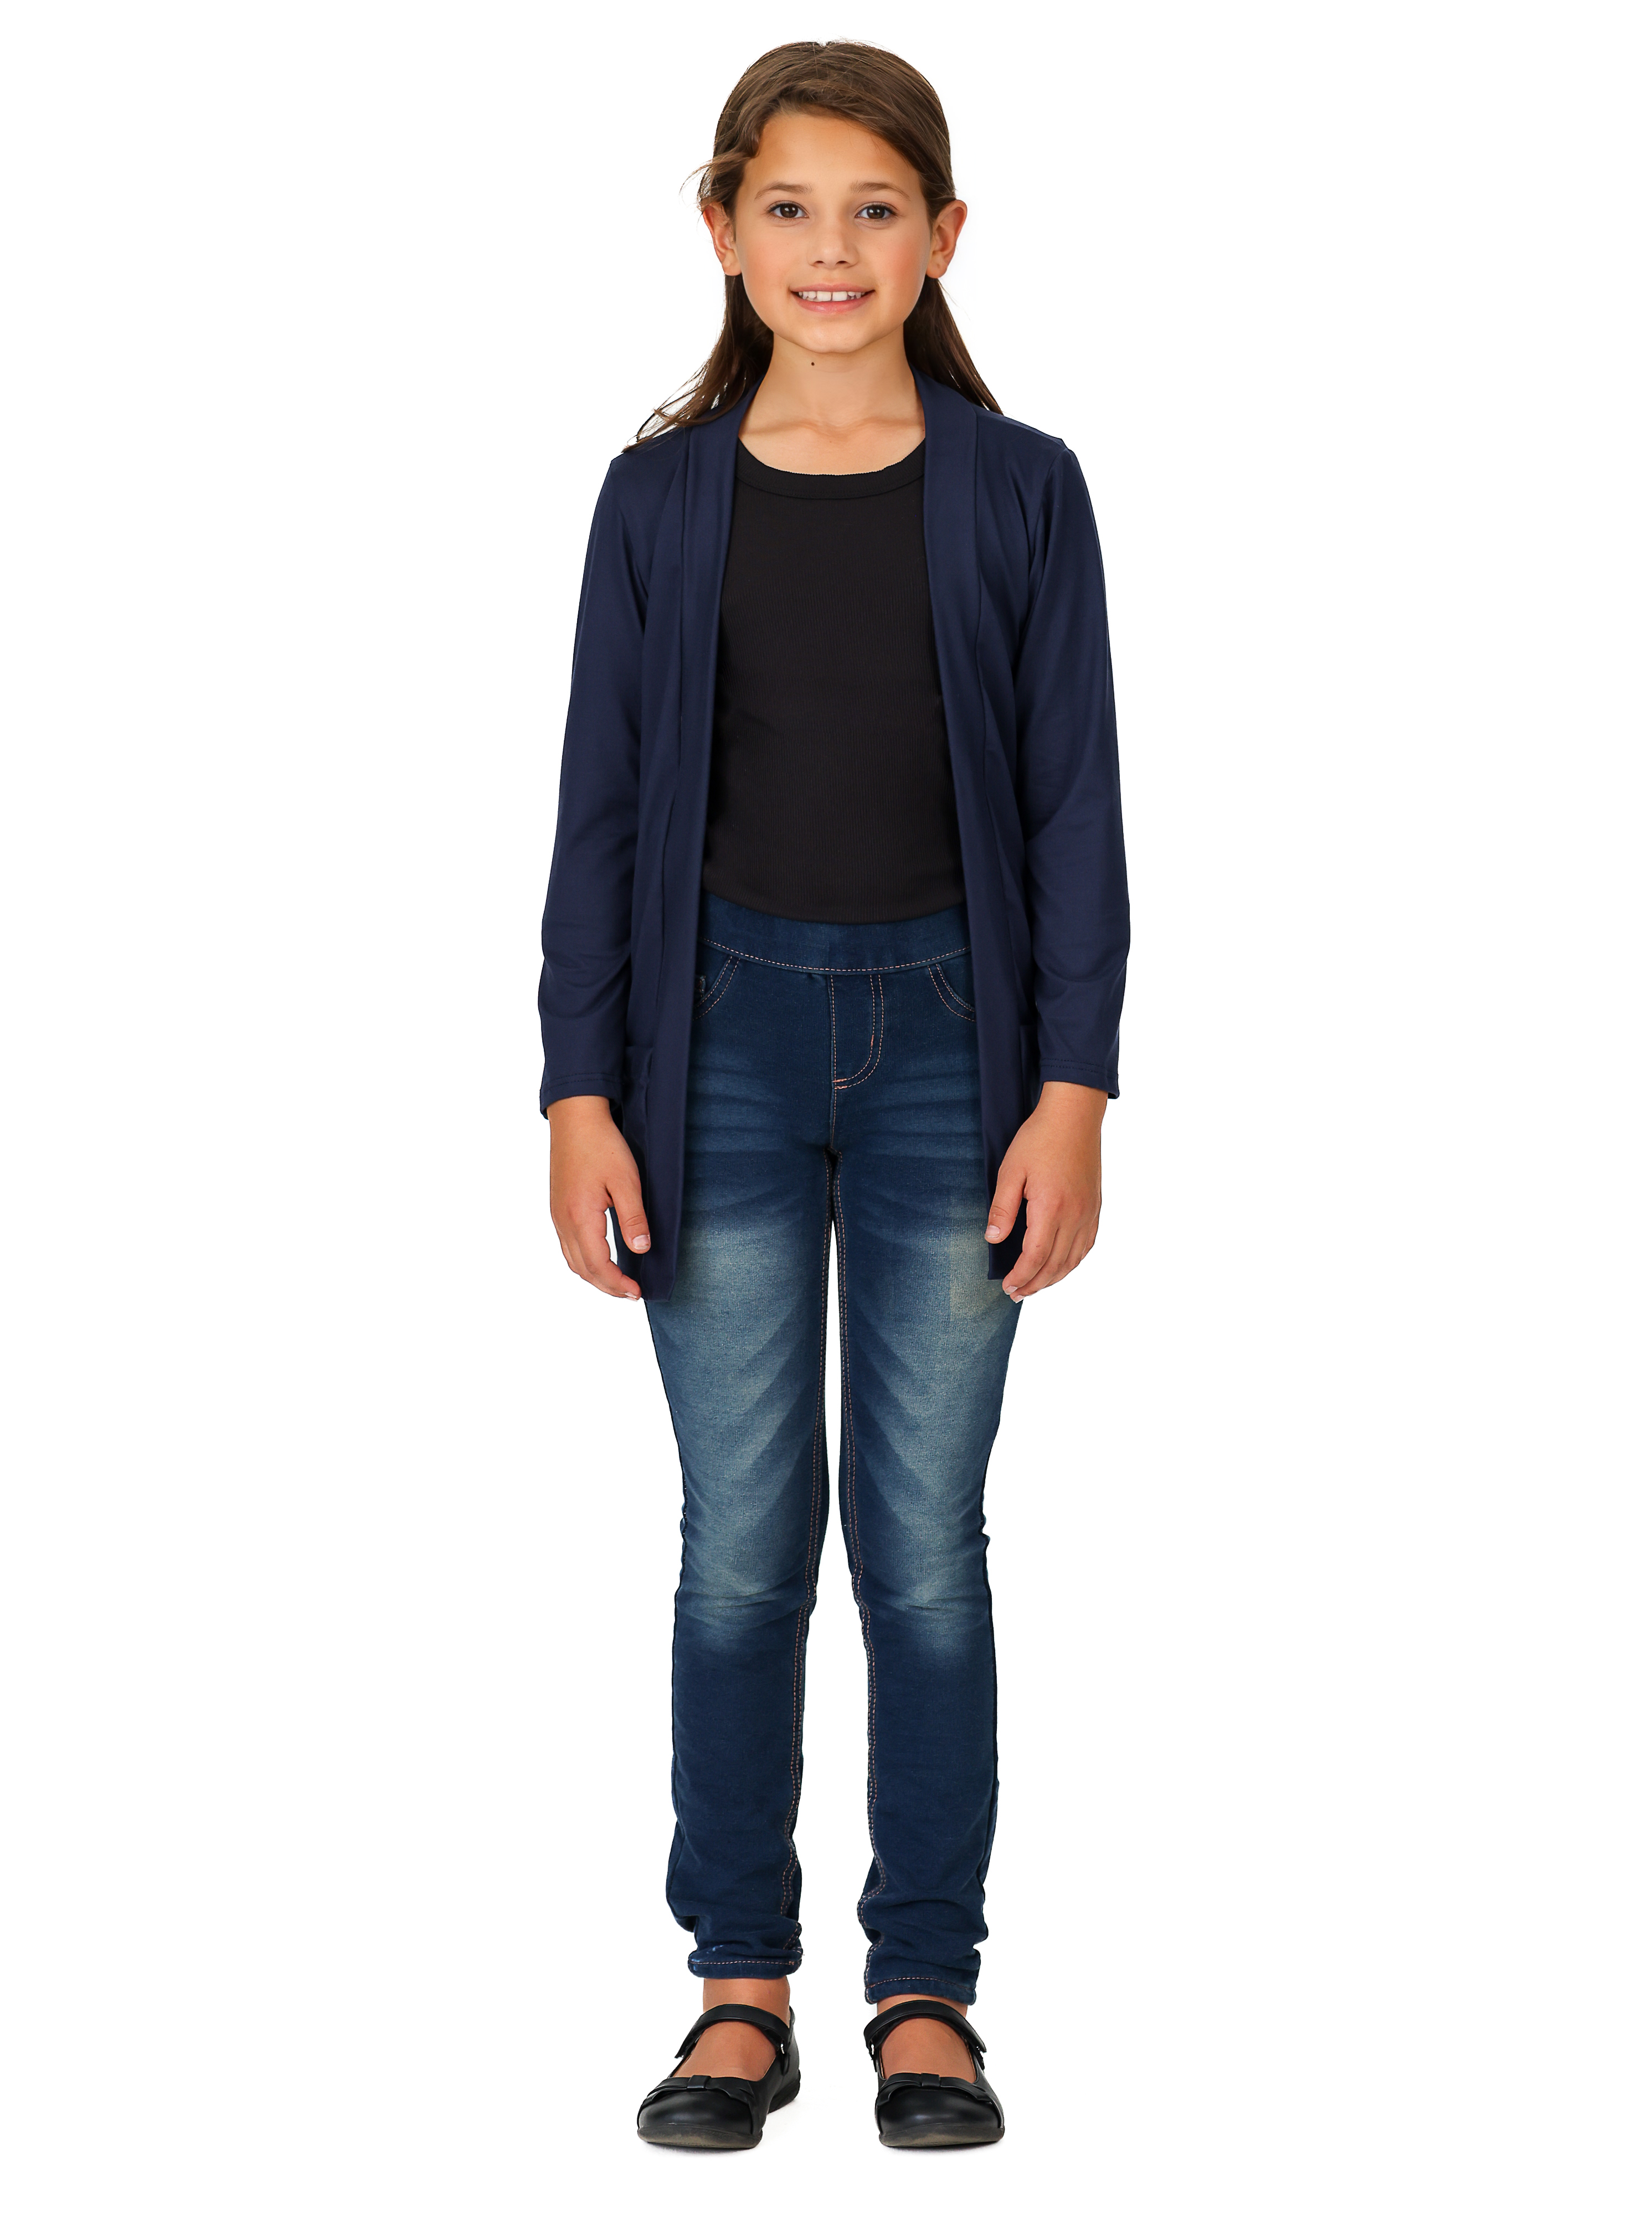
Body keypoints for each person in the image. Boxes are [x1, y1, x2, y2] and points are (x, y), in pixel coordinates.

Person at [539, 40, 1128, 2152]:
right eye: (788, 206)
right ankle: (739, 1986)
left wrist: (1074, 1087)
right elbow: (604, 809)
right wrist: (577, 1087)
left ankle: (926, 1991)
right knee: (739, 1544)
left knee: (926, 1547)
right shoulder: (658, 500)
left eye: (877, 209)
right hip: (708, 1049)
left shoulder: (1020, 489)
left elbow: (1074, 806)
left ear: (943, 236)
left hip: (958, 1053)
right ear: (721, 229)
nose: (832, 248)